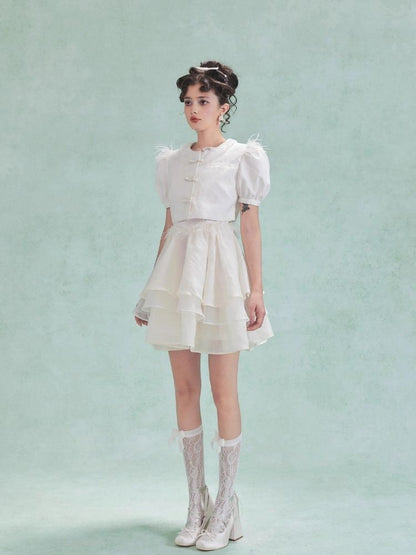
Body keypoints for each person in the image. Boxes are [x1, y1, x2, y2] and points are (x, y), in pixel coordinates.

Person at [133, 61, 273, 551]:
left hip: (222, 276)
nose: (194, 110)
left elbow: (250, 226)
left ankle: (227, 505)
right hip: (178, 278)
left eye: (204, 101)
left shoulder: (241, 158)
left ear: (223, 107)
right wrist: (151, 291)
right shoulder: (171, 163)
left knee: (222, 391)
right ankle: (197, 503)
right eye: (188, 102)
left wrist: (256, 290)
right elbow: (169, 227)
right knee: (184, 388)